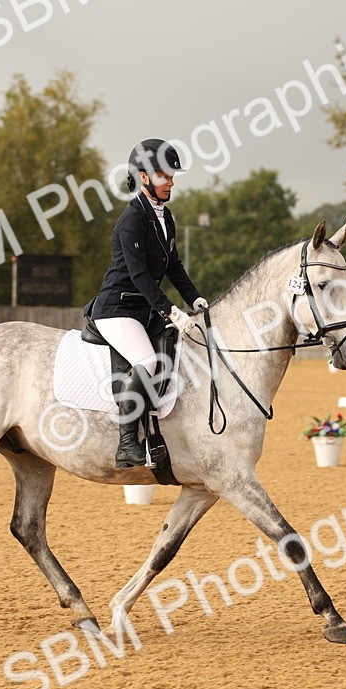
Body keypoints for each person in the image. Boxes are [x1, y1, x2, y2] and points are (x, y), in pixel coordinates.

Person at [86, 138, 207, 468]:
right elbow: (139, 275)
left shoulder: (165, 216)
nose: (171, 181)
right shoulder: (132, 220)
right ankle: (127, 442)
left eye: (172, 176)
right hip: (118, 308)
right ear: (143, 177)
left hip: (143, 309)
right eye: (165, 175)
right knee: (148, 360)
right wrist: (170, 310)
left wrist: (195, 298)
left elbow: (174, 266)